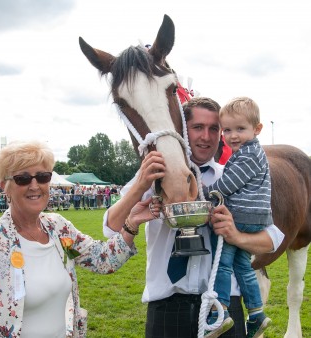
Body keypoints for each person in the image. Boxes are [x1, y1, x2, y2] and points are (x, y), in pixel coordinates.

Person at [102, 97, 284, 338]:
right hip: (168, 306)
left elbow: (273, 238)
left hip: (225, 307)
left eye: (214, 129)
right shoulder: (153, 173)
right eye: (198, 127)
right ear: (182, 131)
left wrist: (236, 236)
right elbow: (110, 228)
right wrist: (140, 185)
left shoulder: (230, 177)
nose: (206, 137)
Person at [0, 140, 162, 338]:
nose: (35, 185)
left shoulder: (58, 228)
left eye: (43, 177)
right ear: (5, 186)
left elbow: (102, 260)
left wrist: (131, 223)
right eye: (23, 179)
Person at [203, 97, 272, 337]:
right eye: (228, 130)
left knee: (222, 262)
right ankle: (256, 313)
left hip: (242, 215)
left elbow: (228, 184)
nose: (233, 136)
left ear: (257, 129)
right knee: (243, 266)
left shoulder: (248, 155)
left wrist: (202, 193)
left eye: (240, 129)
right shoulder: (250, 152)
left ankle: (220, 311)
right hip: (255, 217)